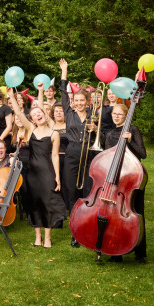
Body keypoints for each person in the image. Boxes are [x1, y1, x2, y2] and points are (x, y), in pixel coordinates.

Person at [8, 87, 66, 248]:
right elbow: (19, 114)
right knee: (34, 203)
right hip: (32, 173)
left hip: (47, 173)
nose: (37, 116)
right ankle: (38, 237)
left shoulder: (55, 133)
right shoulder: (32, 129)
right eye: (34, 115)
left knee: (47, 203)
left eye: (39, 113)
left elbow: (55, 156)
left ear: (44, 114)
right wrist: (12, 96)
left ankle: (47, 237)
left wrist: (57, 177)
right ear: (32, 119)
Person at [103, 103, 147, 263]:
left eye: (120, 114)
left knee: (137, 213)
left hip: (132, 179)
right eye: (114, 114)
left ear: (126, 116)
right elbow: (107, 157)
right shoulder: (109, 134)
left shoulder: (132, 130)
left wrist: (130, 141)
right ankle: (116, 252)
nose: (116, 116)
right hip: (116, 179)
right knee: (114, 215)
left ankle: (140, 252)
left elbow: (143, 154)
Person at [59, 59, 96, 248]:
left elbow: (102, 137)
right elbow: (63, 92)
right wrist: (64, 70)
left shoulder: (93, 116)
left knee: (87, 191)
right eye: (77, 100)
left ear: (88, 102)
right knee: (72, 192)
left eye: (83, 100)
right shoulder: (69, 112)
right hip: (72, 153)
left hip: (89, 154)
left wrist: (95, 128)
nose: (79, 103)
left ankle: (87, 228)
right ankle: (75, 231)